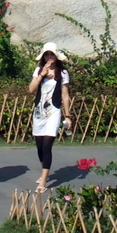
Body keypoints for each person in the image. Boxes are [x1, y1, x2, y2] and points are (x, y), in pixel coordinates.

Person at [28, 42, 72, 194]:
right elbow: (31, 89)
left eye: (51, 54)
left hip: (54, 112)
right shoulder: (39, 70)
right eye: (47, 54)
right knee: (39, 145)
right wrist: (42, 74)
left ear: (56, 56)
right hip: (39, 112)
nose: (49, 57)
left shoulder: (63, 73)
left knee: (47, 145)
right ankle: (44, 171)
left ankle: (44, 179)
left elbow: (65, 95)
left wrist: (68, 115)